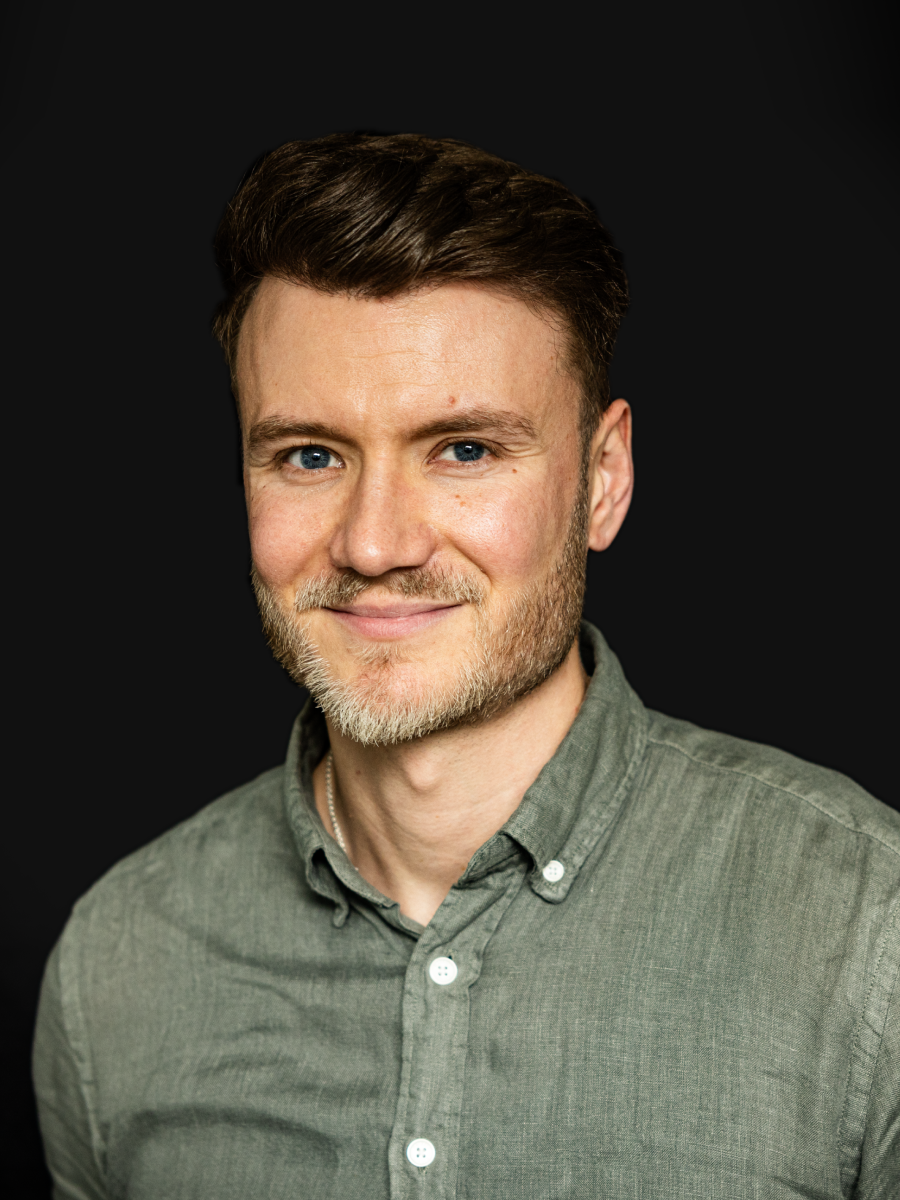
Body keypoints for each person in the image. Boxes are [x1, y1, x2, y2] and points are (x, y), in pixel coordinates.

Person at [33, 132, 898, 1199]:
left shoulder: (870, 930)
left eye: (465, 450)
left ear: (603, 479)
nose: (374, 544)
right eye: (310, 455)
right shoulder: (118, 965)